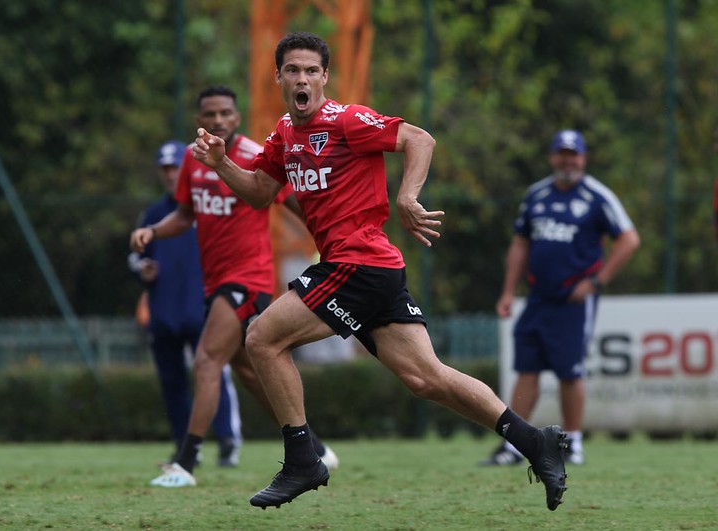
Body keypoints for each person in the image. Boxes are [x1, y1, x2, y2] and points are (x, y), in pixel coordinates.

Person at [191, 32, 569, 512]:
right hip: (370, 271)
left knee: (263, 336)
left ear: (325, 77)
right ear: (279, 78)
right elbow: (261, 192)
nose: (302, 78)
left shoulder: (346, 119)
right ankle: (536, 442)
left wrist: (408, 196)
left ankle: (302, 459)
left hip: (358, 263)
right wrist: (223, 163)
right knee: (426, 378)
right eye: (293, 70)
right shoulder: (284, 133)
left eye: (311, 70)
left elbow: (419, 138)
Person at [130, 86, 338, 488]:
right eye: (210, 114)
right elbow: (185, 215)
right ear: (199, 120)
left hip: (249, 278)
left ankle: (185, 463)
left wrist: (329, 234)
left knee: (207, 359)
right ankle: (312, 445)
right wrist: (152, 231)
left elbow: (294, 202)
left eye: (226, 113)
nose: (218, 120)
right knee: (250, 370)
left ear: (236, 117)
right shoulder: (194, 160)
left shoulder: (254, 157)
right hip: (218, 280)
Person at [481, 129, 640, 468]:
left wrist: (597, 282)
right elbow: (520, 243)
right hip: (538, 297)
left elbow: (628, 239)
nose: (568, 160)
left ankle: (573, 443)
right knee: (527, 368)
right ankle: (514, 445)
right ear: (552, 157)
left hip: (574, 300)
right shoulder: (536, 195)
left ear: (583, 158)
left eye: (574, 154)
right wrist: (509, 291)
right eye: (561, 154)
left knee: (570, 371)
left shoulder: (597, 196)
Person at [128, 140, 242, 481]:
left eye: (175, 166)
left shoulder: (205, 206)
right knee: (172, 382)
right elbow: (135, 255)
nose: (170, 173)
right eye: (165, 168)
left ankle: (227, 439)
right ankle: (184, 444)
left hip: (203, 309)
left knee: (213, 373)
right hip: (163, 313)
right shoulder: (152, 214)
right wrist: (141, 269)